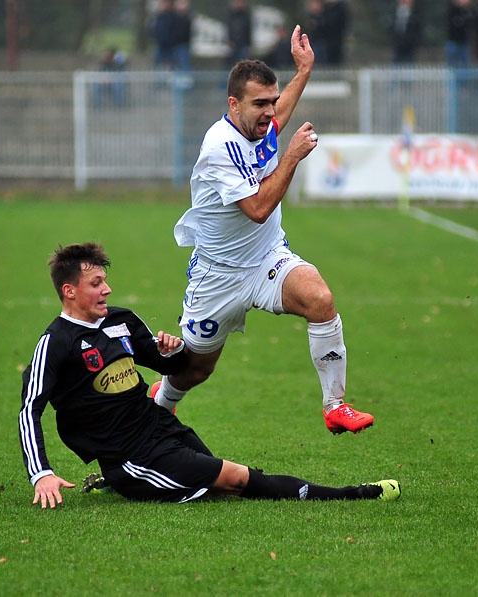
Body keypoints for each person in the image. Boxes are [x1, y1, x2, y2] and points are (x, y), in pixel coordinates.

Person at [18, 242, 401, 506]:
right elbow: (29, 409)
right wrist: (42, 475)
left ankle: (124, 486)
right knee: (235, 479)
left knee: (222, 484)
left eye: (105, 281)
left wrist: (173, 349)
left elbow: (170, 367)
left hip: (158, 428)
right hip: (129, 454)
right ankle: (352, 494)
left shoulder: (120, 321)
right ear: (69, 291)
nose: (107, 289)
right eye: (96, 284)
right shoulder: (56, 343)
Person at [153, 25, 376, 435]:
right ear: (233, 104)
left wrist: (303, 70)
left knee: (320, 299)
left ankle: (334, 405)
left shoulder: (257, 125)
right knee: (195, 369)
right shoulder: (219, 148)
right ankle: (160, 406)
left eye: (272, 101)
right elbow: (257, 208)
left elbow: (279, 120)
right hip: (218, 275)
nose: (271, 112)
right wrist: (291, 158)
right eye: (261, 104)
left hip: (268, 259)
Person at [391, 0, 422, 65]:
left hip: (409, 50)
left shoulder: (415, 16)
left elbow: (416, 33)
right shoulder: (396, 15)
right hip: (398, 50)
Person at [446, 0, 474, 69]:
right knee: (452, 65)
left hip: (465, 42)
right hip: (453, 41)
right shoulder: (452, 10)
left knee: (464, 66)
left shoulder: (470, 11)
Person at [321, 0, 350, 66]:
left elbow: (333, 23)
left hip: (334, 42)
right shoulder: (325, 8)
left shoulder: (339, 9)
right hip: (325, 42)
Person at [151, 0, 176, 69]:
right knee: (157, 62)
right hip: (159, 43)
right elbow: (153, 28)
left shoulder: (173, 15)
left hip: (170, 44)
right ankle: (157, 78)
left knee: (170, 63)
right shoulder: (157, 16)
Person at [170, 0, 193, 72]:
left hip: (183, 45)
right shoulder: (173, 17)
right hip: (173, 46)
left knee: (184, 66)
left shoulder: (187, 18)